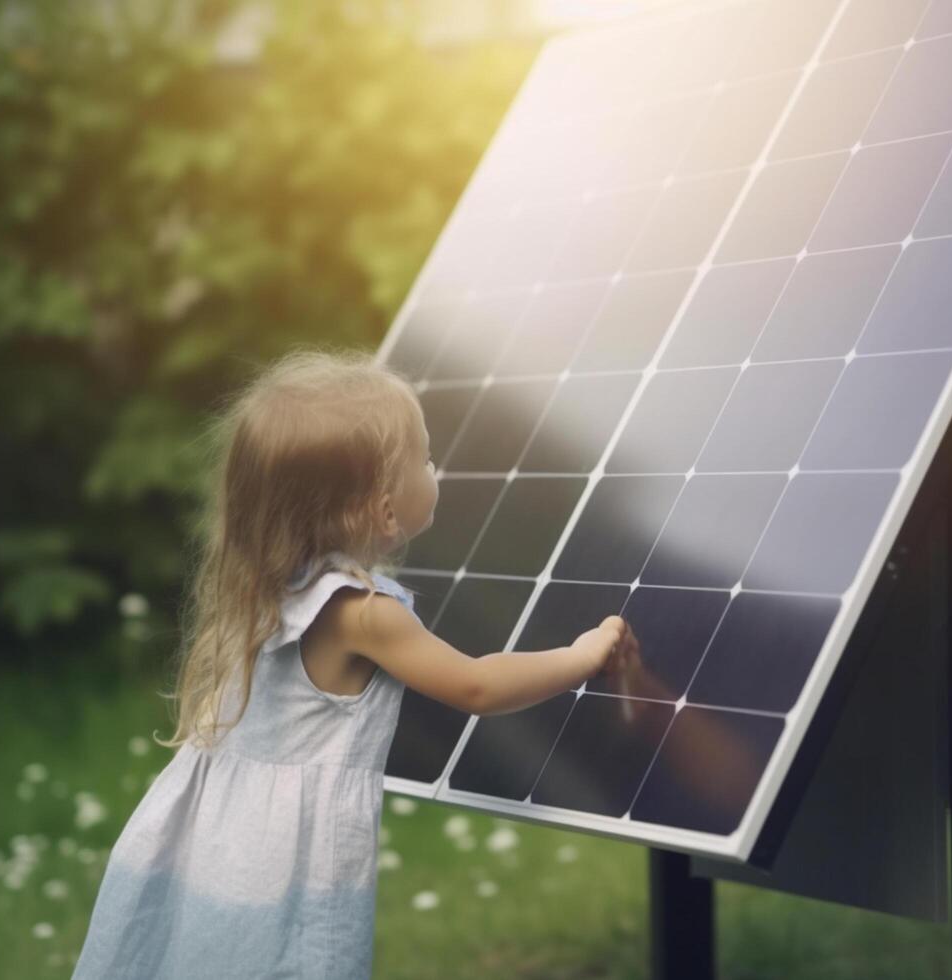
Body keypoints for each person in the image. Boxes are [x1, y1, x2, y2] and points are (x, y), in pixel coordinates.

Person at [71, 345, 639, 979]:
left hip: (213, 842)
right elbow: (477, 685)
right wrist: (580, 654)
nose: (435, 467)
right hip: (286, 864)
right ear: (381, 505)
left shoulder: (260, 588)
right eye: (423, 457)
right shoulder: (363, 613)